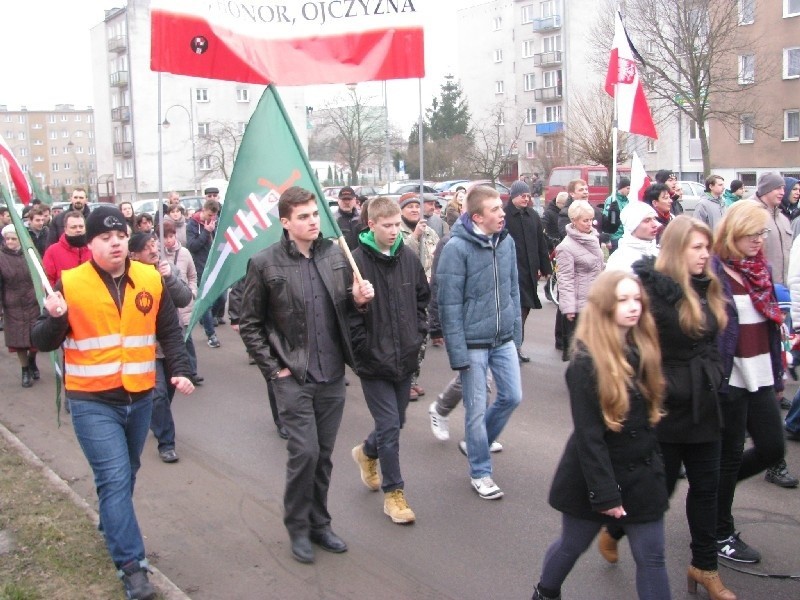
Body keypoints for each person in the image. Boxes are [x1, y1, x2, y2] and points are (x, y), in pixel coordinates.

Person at [31, 205, 195, 600]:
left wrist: (181, 368)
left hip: (139, 396)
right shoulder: (70, 283)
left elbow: (169, 332)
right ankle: (132, 567)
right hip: (92, 401)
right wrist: (55, 318)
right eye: (105, 238)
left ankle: (112, 518)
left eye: (120, 235)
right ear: (90, 244)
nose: (116, 243)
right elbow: (42, 340)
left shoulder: (149, 279)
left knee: (129, 469)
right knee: (115, 477)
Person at [238, 186, 374, 564]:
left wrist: (359, 302)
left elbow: (345, 311)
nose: (313, 221)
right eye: (303, 216)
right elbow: (249, 324)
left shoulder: (334, 255)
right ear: (285, 223)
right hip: (293, 376)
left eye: (315, 214)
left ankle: (319, 523)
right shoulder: (265, 263)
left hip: (331, 374)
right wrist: (274, 370)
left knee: (325, 455)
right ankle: (297, 526)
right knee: (305, 452)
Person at [532, 270, 669, 600]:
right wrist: (606, 495)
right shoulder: (585, 363)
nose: (633, 306)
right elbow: (589, 436)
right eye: (622, 300)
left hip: (642, 475)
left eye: (637, 299)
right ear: (604, 306)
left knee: (651, 557)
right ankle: (545, 594)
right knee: (572, 545)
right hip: (595, 476)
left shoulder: (644, 348)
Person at [629, 217, 735, 600]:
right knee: (661, 491)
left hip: (705, 404)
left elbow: (712, 340)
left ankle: (704, 567)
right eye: (697, 247)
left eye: (707, 247)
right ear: (677, 250)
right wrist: (663, 384)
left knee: (708, 489)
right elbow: (636, 349)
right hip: (666, 407)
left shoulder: (709, 287)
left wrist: (715, 373)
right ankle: (614, 531)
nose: (706, 254)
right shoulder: (653, 294)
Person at [711, 200, 789, 564]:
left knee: (773, 448)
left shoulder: (761, 270)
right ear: (733, 231)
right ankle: (719, 530)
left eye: (762, 233)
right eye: (752, 233)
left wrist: (777, 373)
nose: (759, 239)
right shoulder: (712, 272)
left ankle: (709, 491)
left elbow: (771, 329)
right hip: (729, 379)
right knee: (727, 458)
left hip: (761, 373)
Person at [437, 185, 523, 500]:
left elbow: (513, 287)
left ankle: (476, 442)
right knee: (475, 409)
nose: (502, 213)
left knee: (512, 396)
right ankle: (481, 472)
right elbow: (449, 306)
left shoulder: (506, 242)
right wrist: (457, 353)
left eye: (501, 208)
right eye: (495, 209)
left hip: (502, 339)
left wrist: (516, 332)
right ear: (477, 217)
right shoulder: (456, 249)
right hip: (473, 342)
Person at [349, 196, 430, 524]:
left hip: (404, 356)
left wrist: (419, 331)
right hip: (373, 360)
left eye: (397, 224)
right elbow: (345, 315)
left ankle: (366, 452)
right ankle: (394, 494)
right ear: (371, 225)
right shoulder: (354, 261)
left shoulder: (408, 258)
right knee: (389, 426)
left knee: (396, 422)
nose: (395, 231)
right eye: (387, 225)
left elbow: (422, 298)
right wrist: (357, 303)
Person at [128, 231, 193, 464]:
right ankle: (167, 443)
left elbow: (185, 299)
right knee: (158, 394)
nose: (154, 250)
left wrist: (170, 278)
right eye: (147, 248)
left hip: (170, 342)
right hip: (145, 345)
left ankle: (154, 419)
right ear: (134, 254)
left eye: (154, 245)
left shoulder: (167, 269)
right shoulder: (128, 277)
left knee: (168, 391)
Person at [505, 180, 552, 363]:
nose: (526, 199)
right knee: (514, 310)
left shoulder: (532, 215)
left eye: (528, 196)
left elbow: (540, 242)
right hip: (511, 270)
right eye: (522, 196)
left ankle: (517, 345)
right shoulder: (505, 216)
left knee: (524, 309)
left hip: (529, 271)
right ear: (513, 196)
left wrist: (545, 266)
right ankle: (510, 347)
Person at [398, 192, 439, 400]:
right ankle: (404, 383)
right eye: (409, 206)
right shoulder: (396, 231)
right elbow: (400, 256)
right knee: (408, 340)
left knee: (422, 339)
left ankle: (413, 380)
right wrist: (414, 237)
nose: (415, 209)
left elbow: (438, 257)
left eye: (417, 206)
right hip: (405, 293)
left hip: (426, 293)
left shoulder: (430, 232)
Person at [555, 200, 603, 361]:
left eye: (591, 219)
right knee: (581, 351)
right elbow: (565, 279)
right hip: (579, 305)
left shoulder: (594, 238)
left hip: (596, 301)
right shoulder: (565, 247)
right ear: (574, 221)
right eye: (585, 220)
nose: (589, 223)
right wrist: (569, 308)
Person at [161, 220, 203, 387]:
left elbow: (193, 275)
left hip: (183, 301)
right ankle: (175, 372)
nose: (169, 240)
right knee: (173, 339)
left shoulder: (184, 253)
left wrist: (192, 291)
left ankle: (191, 371)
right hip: (165, 303)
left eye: (171, 236)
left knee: (186, 338)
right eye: (165, 237)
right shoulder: (157, 255)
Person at [0, 224, 42, 387]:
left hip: (32, 301)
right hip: (12, 304)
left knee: (35, 337)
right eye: (7, 238)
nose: (10, 241)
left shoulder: (31, 254)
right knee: (18, 341)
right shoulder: (1, 257)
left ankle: (32, 361)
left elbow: (41, 275)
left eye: (13, 238)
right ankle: (25, 370)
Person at [186, 198, 222, 348]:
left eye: (214, 216)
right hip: (199, 266)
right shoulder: (192, 224)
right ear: (203, 210)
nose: (211, 219)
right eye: (209, 215)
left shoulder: (215, 222)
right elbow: (192, 246)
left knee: (221, 296)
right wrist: (206, 233)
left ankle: (205, 317)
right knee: (205, 301)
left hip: (213, 264)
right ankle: (211, 334)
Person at [605, 201, 660, 273]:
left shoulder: (658, 253)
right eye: (647, 220)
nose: (655, 224)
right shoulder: (620, 261)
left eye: (654, 219)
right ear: (632, 225)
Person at [42, 210, 91, 286]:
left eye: (81, 226)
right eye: (73, 227)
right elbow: (47, 280)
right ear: (65, 229)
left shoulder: (94, 249)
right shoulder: (53, 251)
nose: (78, 230)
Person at [602, 177, 631, 252]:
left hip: (626, 236)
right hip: (615, 237)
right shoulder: (612, 200)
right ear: (621, 188)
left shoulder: (627, 201)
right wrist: (607, 239)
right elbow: (606, 219)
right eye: (627, 188)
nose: (629, 191)